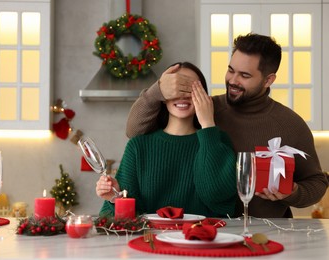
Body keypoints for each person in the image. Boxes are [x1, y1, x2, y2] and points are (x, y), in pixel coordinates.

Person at [125, 33, 329, 218]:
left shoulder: (289, 124)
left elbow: (316, 183)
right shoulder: (206, 109)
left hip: (270, 230)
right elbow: (134, 131)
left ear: (268, 80)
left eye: (245, 75)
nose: (233, 80)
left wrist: (293, 193)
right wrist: (157, 90)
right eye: (231, 70)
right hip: (217, 229)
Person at [96, 62, 237, 218]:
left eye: (191, 88)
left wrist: (208, 124)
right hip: (152, 239)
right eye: (176, 87)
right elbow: (120, 218)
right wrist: (116, 198)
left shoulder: (217, 140)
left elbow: (220, 200)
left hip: (204, 238)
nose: (183, 95)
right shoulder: (138, 146)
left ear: (204, 96)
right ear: (163, 95)